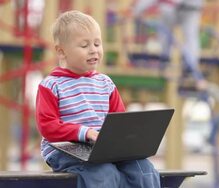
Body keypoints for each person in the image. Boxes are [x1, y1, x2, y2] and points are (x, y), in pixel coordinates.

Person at [35, 10, 161, 188]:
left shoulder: (106, 83)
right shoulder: (51, 85)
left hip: (103, 149)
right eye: (84, 45)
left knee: (143, 168)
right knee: (104, 173)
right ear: (61, 52)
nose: (93, 50)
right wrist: (85, 132)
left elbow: (119, 122)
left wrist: (131, 139)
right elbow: (47, 126)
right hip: (65, 150)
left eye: (97, 43)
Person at [132, 0, 204, 78]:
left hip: (183, 9)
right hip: (181, 9)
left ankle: (187, 67)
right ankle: (186, 66)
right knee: (187, 38)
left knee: (186, 37)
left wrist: (137, 11)